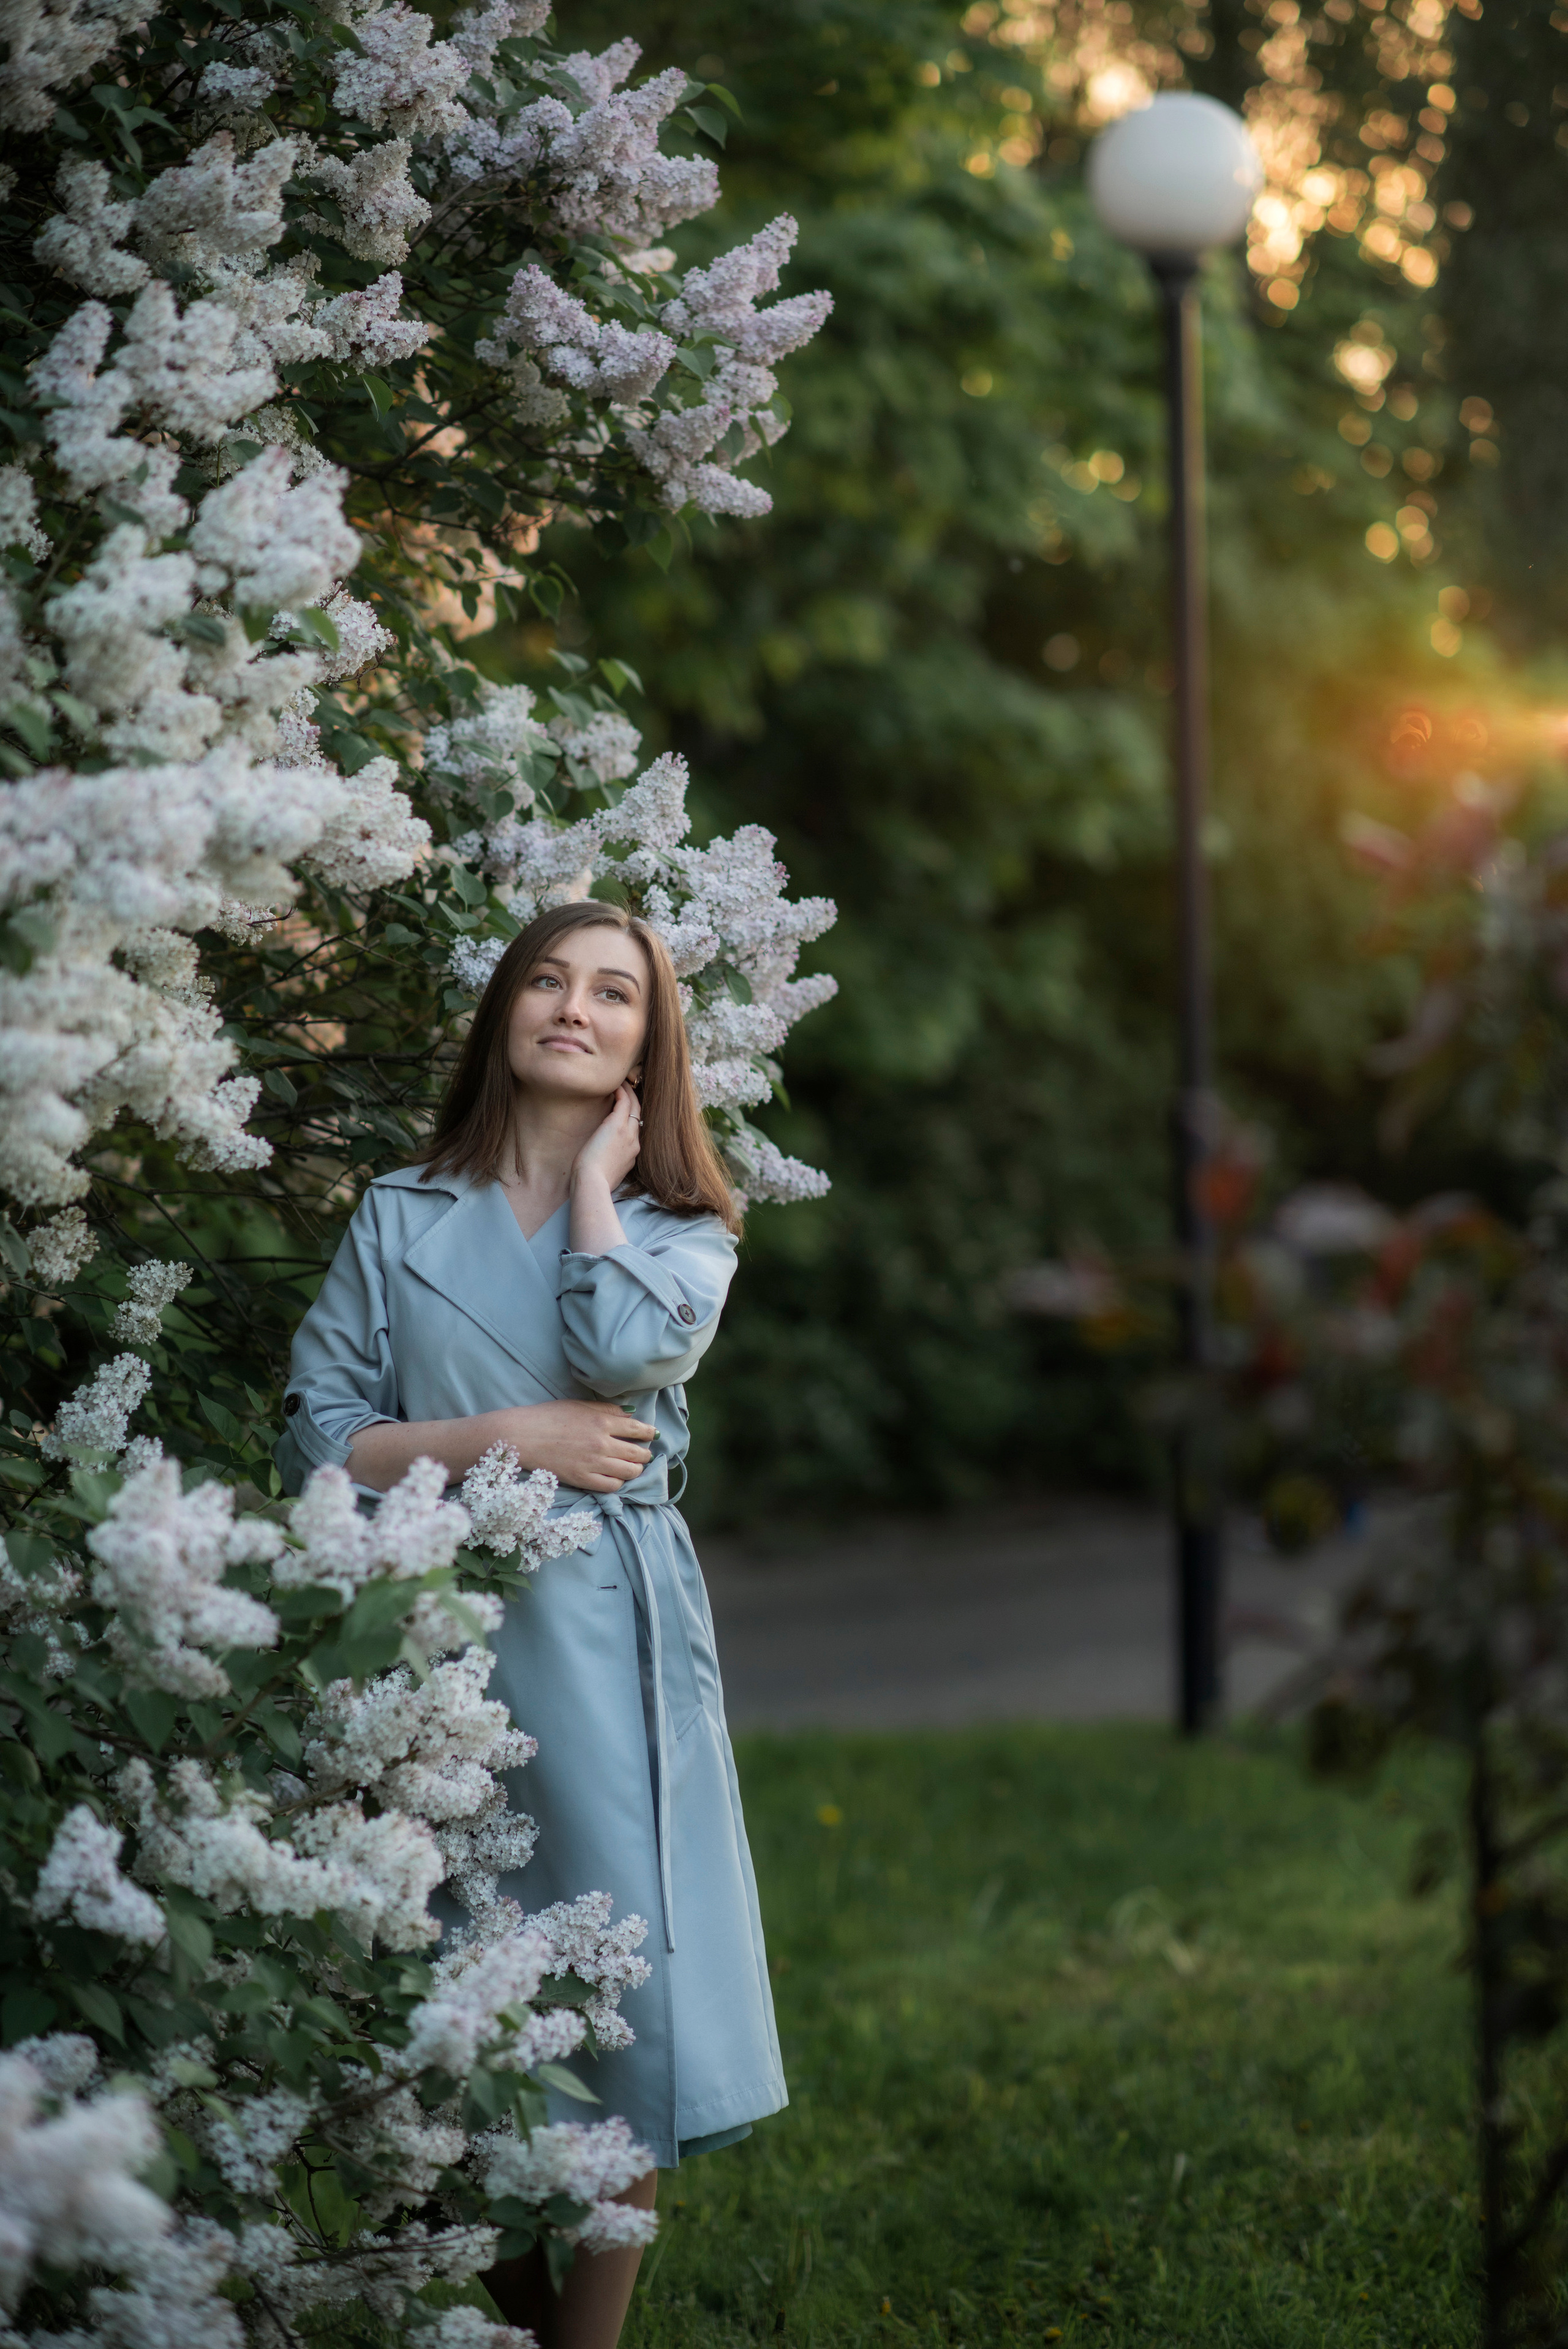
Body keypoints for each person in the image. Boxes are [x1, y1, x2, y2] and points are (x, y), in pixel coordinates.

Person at [275, 899, 788, 2349]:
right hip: (424, 1636)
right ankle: (497, 2300)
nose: (574, 1005)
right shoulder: (398, 1214)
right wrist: (502, 1435)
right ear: (505, 1012)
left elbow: (622, 1348)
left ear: (648, 1042)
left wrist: (595, 1190)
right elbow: (318, 1437)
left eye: (613, 993)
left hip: (594, 1639)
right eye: (548, 981)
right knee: (429, 1987)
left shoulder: (685, 1230)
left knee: (613, 1976)